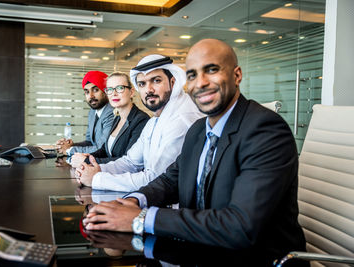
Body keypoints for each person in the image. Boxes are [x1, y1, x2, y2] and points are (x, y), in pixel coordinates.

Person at [82, 39, 307, 265]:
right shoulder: (199, 129)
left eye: (211, 70)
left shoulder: (266, 130)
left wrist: (141, 218)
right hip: (201, 250)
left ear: (237, 75)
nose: (201, 83)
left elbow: (240, 226)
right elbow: (172, 179)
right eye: (192, 75)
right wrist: (133, 201)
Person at [74, 54, 203, 192]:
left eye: (156, 80)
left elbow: (155, 179)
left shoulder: (180, 119)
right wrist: (96, 169)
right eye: (142, 84)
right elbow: (130, 162)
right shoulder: (154, 120)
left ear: (173, 82)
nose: (149, 89)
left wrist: (96, 179)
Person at [70, 72, 150, 167]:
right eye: (110, 90)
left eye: (120, 88)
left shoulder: (141, 120)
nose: (114, 94)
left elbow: (127, 161)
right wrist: (86, 156)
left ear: (131, 92)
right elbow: (104, 150)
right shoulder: (117, 117)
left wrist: (88, 161)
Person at [56, 71, 114, 156]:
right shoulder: (92, 112)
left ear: (106, 90)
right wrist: (70, 145)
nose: (91, 96)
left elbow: (102, 148)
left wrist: (70, 150)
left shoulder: (112, 112)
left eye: (95, 90)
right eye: (87, 92)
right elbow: (89, 142)